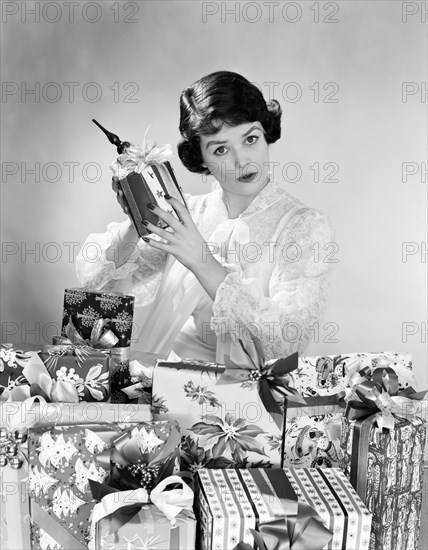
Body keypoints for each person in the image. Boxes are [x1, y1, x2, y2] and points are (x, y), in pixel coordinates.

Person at [76, 71, 336, 363]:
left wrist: (201, 260)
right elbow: (97, 296)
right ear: (200, 159)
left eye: (250, 138)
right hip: (168, 384)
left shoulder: (304, 226)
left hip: (249, 399)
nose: (242, 160)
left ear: (266, 133)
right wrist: (136, 221)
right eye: (221, 149)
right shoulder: (189, 214)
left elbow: (287, 342)